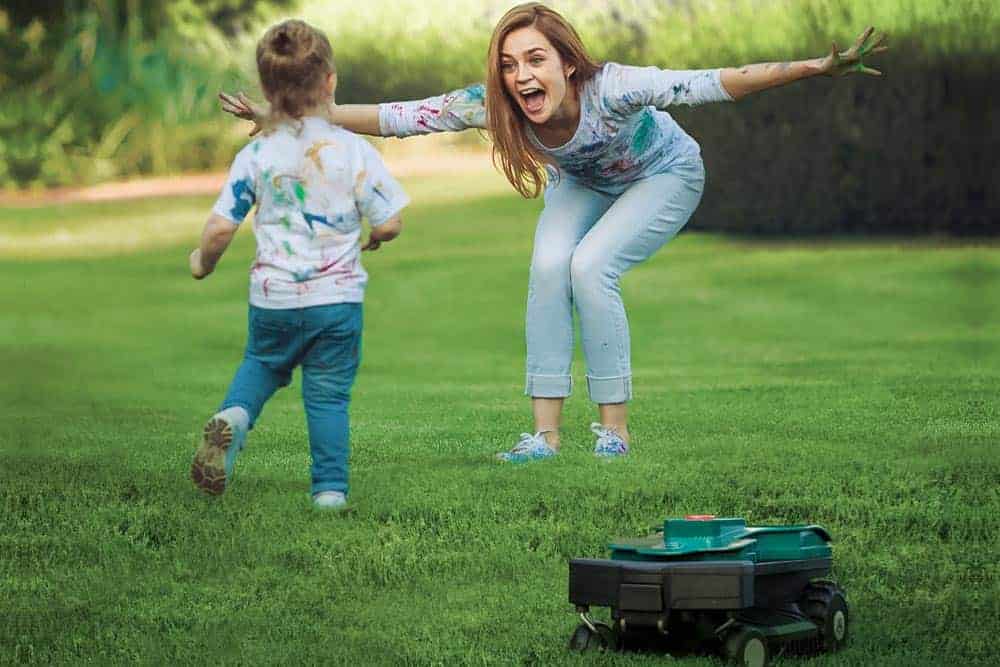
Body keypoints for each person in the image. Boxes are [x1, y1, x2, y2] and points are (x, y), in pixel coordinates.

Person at [222, 3, 886, 463]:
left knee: (590, 267)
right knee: (547, 268)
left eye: (534, 59)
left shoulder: (614, 87)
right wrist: (287, 113)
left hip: (665, 174)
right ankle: (543, 436)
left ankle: (614, 432)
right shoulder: (498, 104)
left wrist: (811, 68)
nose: (520, 76)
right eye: (509, 64)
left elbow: (712, 83)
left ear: (566, 62)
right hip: (587, 181)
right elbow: (397, 116)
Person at [192, 19, 409, 508]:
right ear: (329, 80)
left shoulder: (256, 154)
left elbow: (221, 226)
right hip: (336, 302)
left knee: (262, 364)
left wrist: (202, 262)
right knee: (328, 394)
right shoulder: (353, 150)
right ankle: (329, 492)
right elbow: (392, 219)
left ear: (267, 88)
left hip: (274, 298)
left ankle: (236, 418)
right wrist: (376, 234)